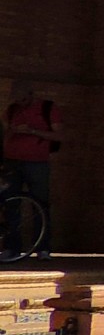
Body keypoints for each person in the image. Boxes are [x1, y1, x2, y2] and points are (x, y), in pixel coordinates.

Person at [4, 90, 61, 256]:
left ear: (30, 95)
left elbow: (59, 135)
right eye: (17, 100)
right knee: (10, 203)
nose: (20, 103)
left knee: (40, 204)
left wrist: (32, 131)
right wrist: (14, 130)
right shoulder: (12, 110)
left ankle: (42, 247)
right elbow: (5, 135)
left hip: (37, 163)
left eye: (23, 99)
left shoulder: (47, 108)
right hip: (12, 161)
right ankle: (11, 248)